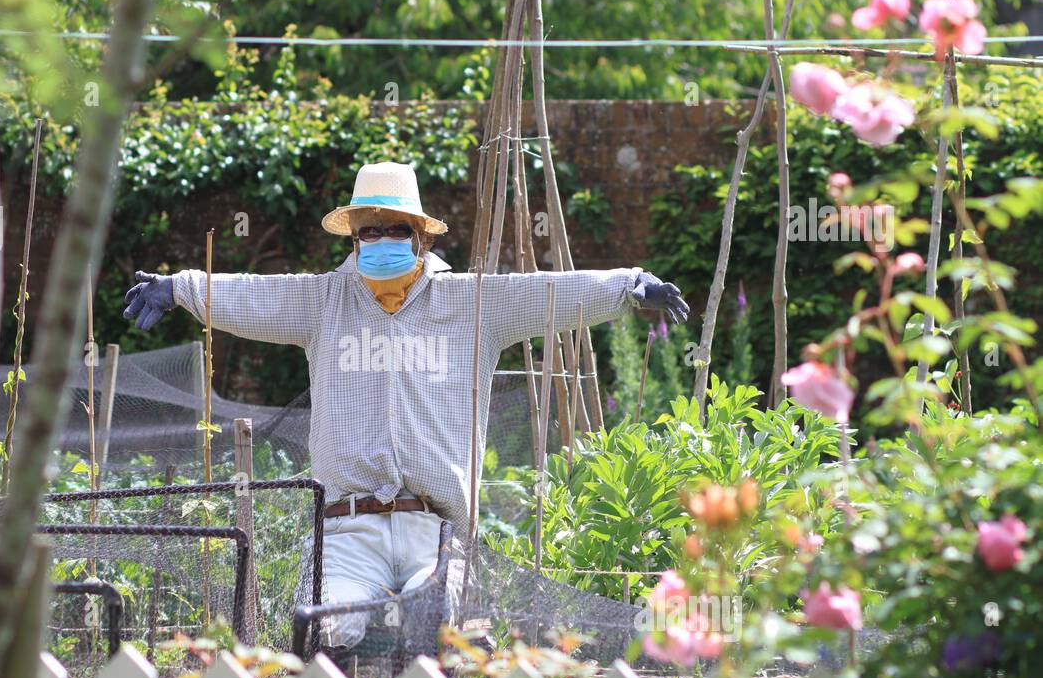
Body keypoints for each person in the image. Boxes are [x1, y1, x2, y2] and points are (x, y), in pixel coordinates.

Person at [123, 160, 688, 650]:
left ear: (421, 237)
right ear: (354, 239)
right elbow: (252, 295)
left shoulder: (473, 303)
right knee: (326, 627)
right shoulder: (323, 301)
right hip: (345, 532)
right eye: (370, 230)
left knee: (441, 627)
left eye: (396, 228)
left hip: (434, 532)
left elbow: (547, 292)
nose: (383, 239)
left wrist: (626, 284)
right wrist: (179, 289)